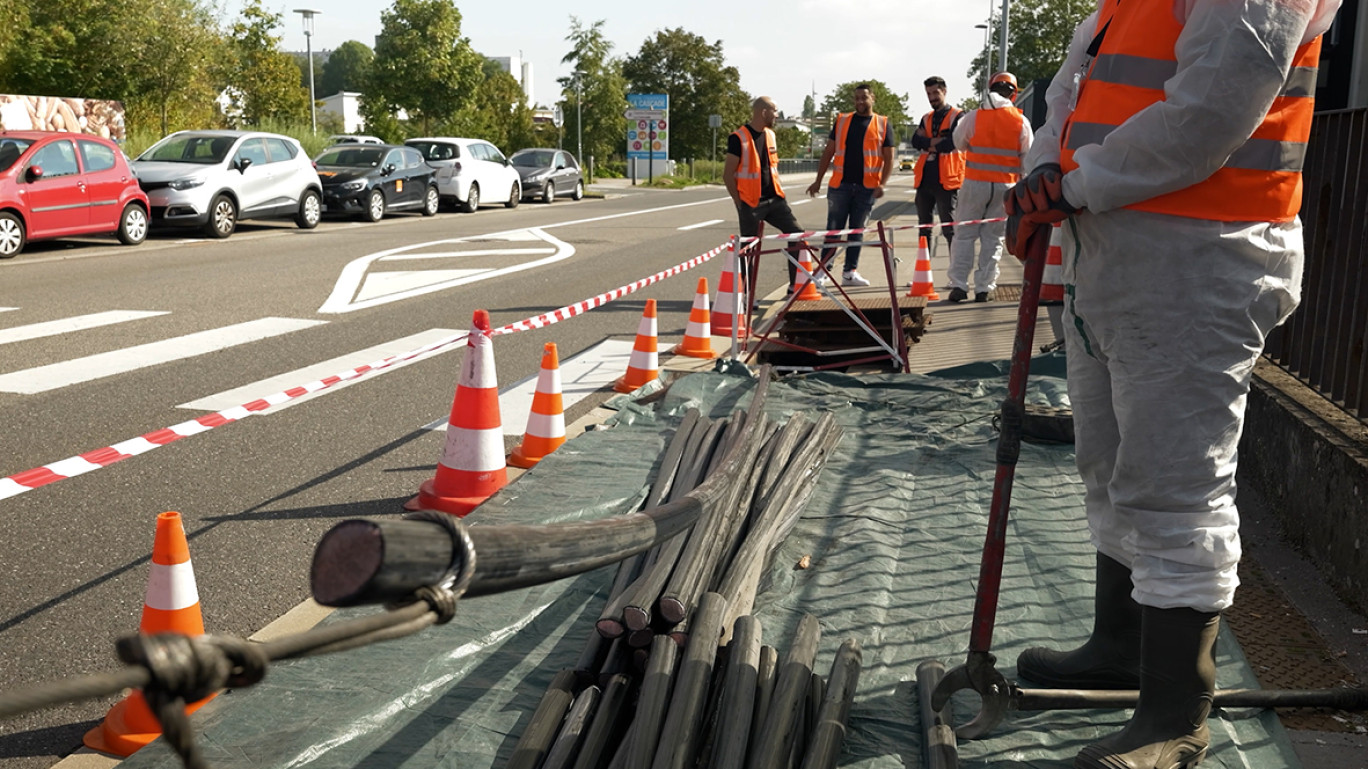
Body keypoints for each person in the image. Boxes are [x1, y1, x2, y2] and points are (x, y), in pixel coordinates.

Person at [1006, 1, 1341, 767]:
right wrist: (1039, 179)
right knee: (1110, 463)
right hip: (1113, 251)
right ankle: (1121, 645)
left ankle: (1173, 712)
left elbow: (1211, 111)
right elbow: (1072, 92)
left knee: (1176, 486)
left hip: (1199, 258)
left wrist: (1076, 185)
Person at [947, 72, 1032, 303]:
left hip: (975, 183)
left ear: (990, 88)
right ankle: (984, 288)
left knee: (964, 235)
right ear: (1014, 94)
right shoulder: (1020, 121)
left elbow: (958, 143)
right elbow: (1029, 157)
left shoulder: (974, 117)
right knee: (993, 239)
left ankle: (959, 286)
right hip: (1006, 186)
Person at [806, 84, 895, 287]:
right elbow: (828, 152)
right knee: (833, 230)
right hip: (840, 186)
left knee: (857, 231)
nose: (859, 102)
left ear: (873, 98)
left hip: (867, 188)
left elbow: (889, 158)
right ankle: (823, 271)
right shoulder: (842, 120)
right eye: (856, 98)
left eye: (864, 97)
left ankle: (849, 272)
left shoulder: (882, 123)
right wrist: (818, 180)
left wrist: (882, 183)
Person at [724, 96, 807, 294]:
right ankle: (747, 297)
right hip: (751, 203)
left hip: (776, 200)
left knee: (798, 235)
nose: (777, 115)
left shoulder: (770, 135)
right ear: (763, 112)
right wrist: (740, 203)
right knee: (749, 251)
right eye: (774, 111)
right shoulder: (738, 138)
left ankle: (794, 286)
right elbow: (728, 175)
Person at [911, 76, 964, 261]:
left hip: (947, 181)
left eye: (935, 92)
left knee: (949, 229)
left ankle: (955, 272)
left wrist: (928, 143)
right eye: (928, 94)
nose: (932, 97)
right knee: (923, 228)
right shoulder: (926, 118)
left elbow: (952, 143)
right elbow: (915, 141)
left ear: (944, 91)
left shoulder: (958, 116)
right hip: (925, 180)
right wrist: (936, 142)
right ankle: (922, 272)